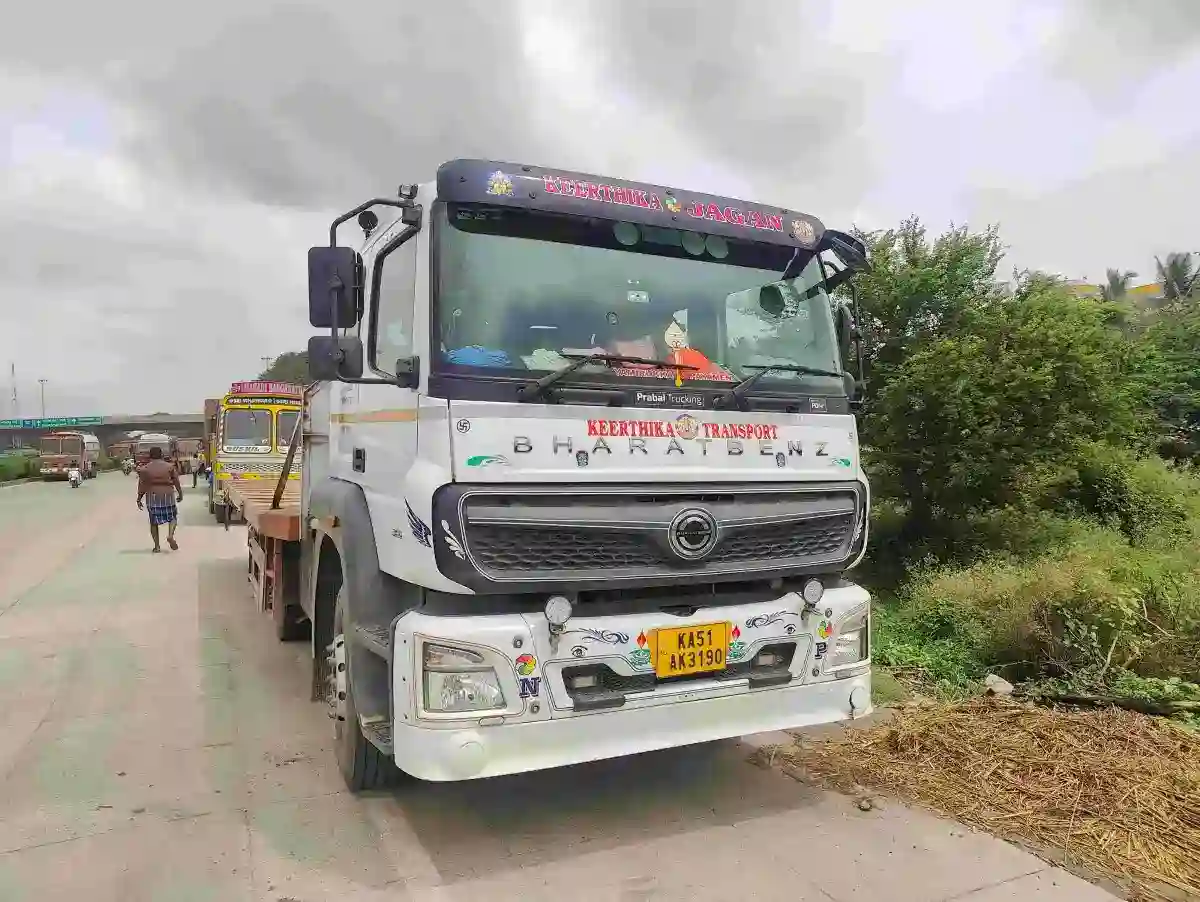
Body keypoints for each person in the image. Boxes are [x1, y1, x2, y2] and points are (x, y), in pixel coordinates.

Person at [136, 446, 183, 553]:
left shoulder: (145, 469)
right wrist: (180, 493)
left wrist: (139, 498)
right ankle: (170, 535)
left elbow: (142, 485)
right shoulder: (169, 467)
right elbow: (176, 481)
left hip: (152, 497)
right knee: (172, 517)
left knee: (153, 522)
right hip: (167, 496)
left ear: (150, 456)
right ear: (161, 455)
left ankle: (157, 546)